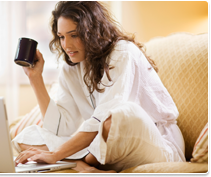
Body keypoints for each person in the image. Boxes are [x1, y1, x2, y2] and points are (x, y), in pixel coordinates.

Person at [13, 1, 185, 173]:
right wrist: (35, 78)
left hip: (153, 141)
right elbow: (60, 128)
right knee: (26, 137)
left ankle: (80, 161)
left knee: (116, 118)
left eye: (74, 35)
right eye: (62, 37)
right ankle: (84, 165)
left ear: (92, 32)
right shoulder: (72, 67)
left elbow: (105, 119)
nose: (66, 45)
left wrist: (56, 154)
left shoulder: (123, 52)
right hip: (104, 143)